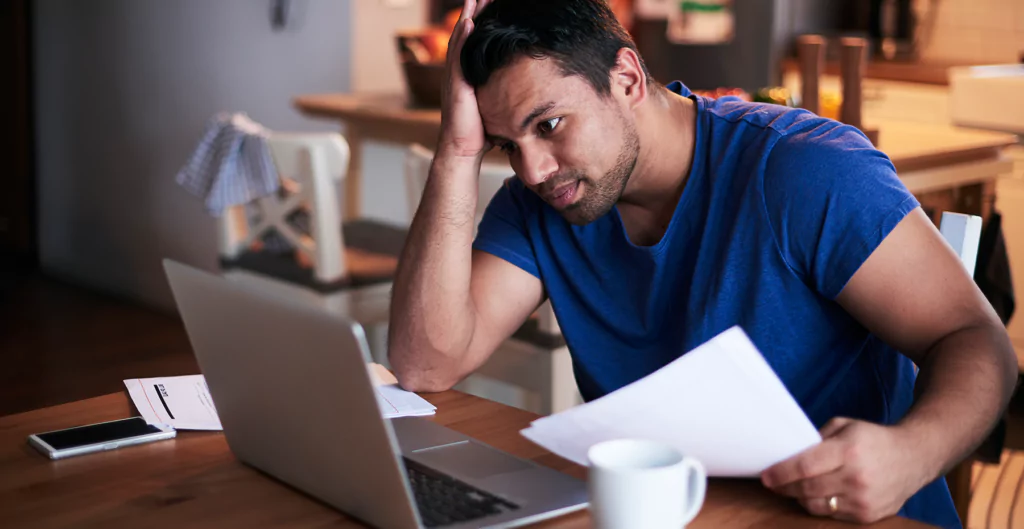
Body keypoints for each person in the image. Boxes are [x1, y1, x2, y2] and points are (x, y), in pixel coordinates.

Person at [386, 1, 1018, 527]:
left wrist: (911, 454)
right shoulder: (543, 200)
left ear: (627, 78)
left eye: (549, 124)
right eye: (506, 145)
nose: (533, 169)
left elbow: (974, 338)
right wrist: (456, 151)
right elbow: (424, 362)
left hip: (851, 517)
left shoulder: (803, 170)